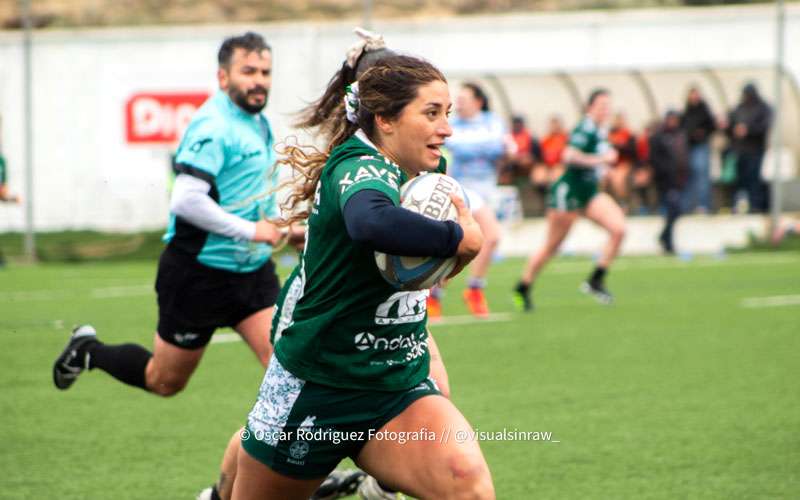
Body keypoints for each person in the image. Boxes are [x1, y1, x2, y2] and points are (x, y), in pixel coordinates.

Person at [203, 29, 459, 500]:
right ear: (382, 113)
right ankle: (219, 495)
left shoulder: (425, 164)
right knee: (269, 435)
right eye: (430, 112)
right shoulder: (358, 162)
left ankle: (379, 485)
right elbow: (370, 221)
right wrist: (459, 239)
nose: (444, 126)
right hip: (318, 328)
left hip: (383, 328)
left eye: (445, 113)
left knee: (440, 410)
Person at [513, 89, 625, 311]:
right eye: (601, 105)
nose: (605, 110)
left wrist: (603, 169)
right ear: (590, 107)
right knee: (553, 245)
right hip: (568, 191)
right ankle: (523, 286)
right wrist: (601, 159)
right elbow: (569, 156)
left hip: (588, 191)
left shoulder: (600, 129)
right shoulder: (585, 127)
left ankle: (596, 279)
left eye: (607, 106)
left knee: (619, 228)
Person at [437, 82, 504, 318]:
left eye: (464, 98)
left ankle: (434, 294)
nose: (459, 103)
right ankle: (474, 289)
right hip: (461, 190)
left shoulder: (492, 121)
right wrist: (480, 148)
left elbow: (499, 147)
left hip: (487, 190)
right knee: (492, 236)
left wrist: (469, 147)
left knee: (457, 246)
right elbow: (453, 146)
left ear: (478, 101)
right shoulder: (452, 124)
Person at [726, 82, 772, 213]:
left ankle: (755, 206)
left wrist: (748, 130)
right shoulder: (739, 108)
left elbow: (764, 126)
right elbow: (730, 124)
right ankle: (738, 207)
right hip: (740, 151)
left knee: (754, 180)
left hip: (756, 150)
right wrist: (730, 128)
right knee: (740, 181)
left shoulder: (763, 107)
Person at [649, 110, 689, 254]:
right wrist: (665, 174)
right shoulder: (659, 137)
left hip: (679, 180)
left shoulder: (680, 135)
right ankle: (668, 242)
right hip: (666, 181)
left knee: (675, 211)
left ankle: (665, 237)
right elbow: (655, 159)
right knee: (674, 210)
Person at [680, 86, 716, 213]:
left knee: (701, 176)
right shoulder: (687, 111)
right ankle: (690, 205)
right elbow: (683, 128)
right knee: (690, 177)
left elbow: (712, 126)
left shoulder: (704, 110)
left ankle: (703, 205)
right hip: (690, 147)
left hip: (701, 147)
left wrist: (702, 133)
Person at [606, 112, 637, 209]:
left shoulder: (628, 134)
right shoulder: (610, 134)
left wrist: (619, 146)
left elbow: (632, 150)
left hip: (624, 164)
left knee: (618, 179)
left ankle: (622, 202)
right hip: (611, 165)